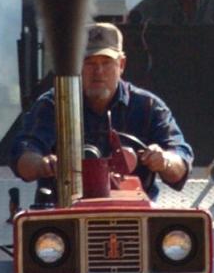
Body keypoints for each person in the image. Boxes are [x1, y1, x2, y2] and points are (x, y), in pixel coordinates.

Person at [10, 22, 192, 200]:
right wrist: (43, 164)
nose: (98, 71)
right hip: (63, 218)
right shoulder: (53, 105)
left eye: (106, 62)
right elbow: (23, 155)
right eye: (89, 62)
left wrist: (164, 160)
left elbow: (180, 162)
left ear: (121, 64)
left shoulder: (149, 107)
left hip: (138, 219)